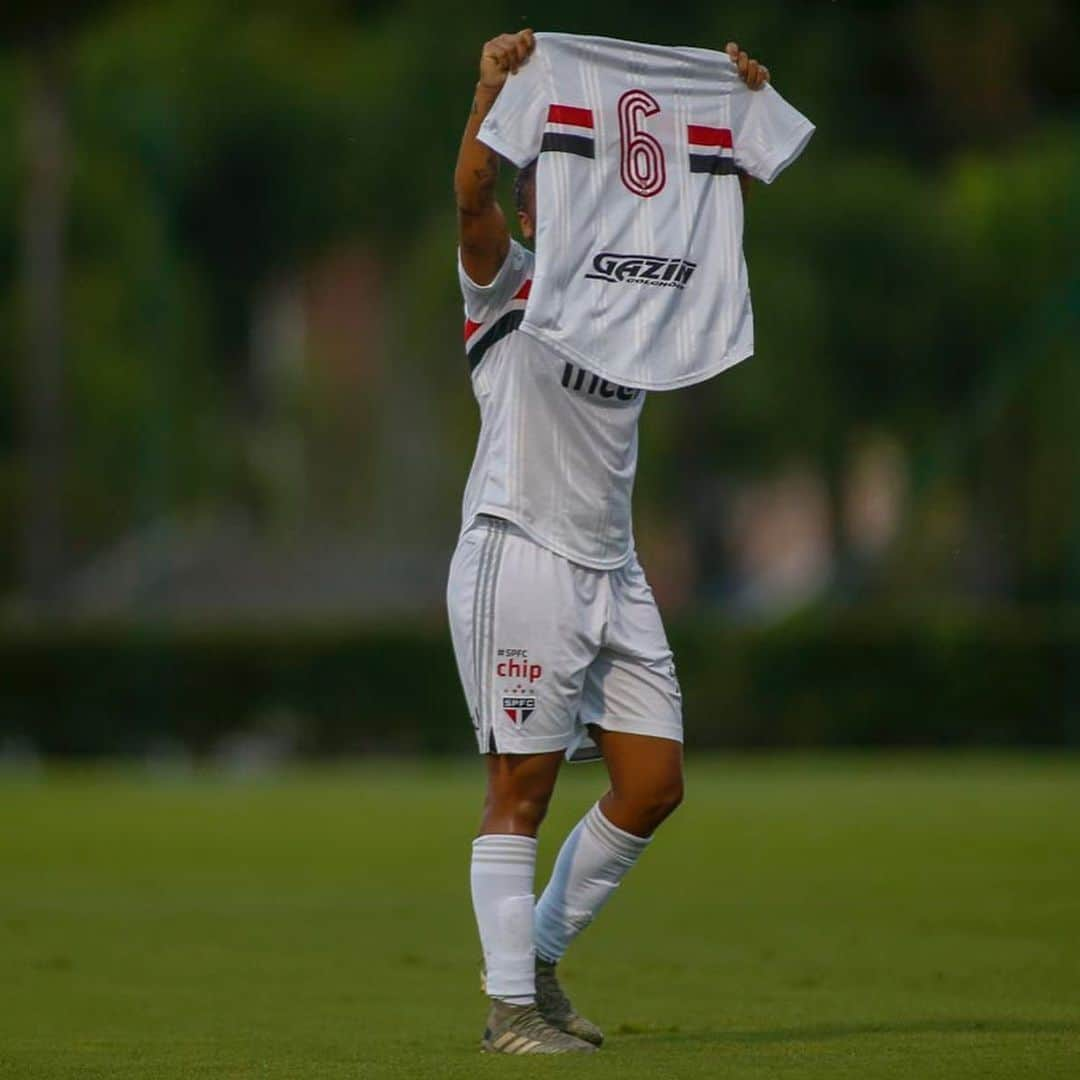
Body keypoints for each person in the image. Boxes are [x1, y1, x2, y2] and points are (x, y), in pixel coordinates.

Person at [447, 29, 772, 1055]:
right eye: (547, 186)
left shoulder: (639, 294)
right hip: (522, 548)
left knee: (652, 783)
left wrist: (733, 112)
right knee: (522, 791)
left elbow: (714, 218)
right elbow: (469, 201)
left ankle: (536, 957)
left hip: (611, 565)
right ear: (543, 204)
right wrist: (488, 91)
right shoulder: (509, 287)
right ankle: (508, 1014)